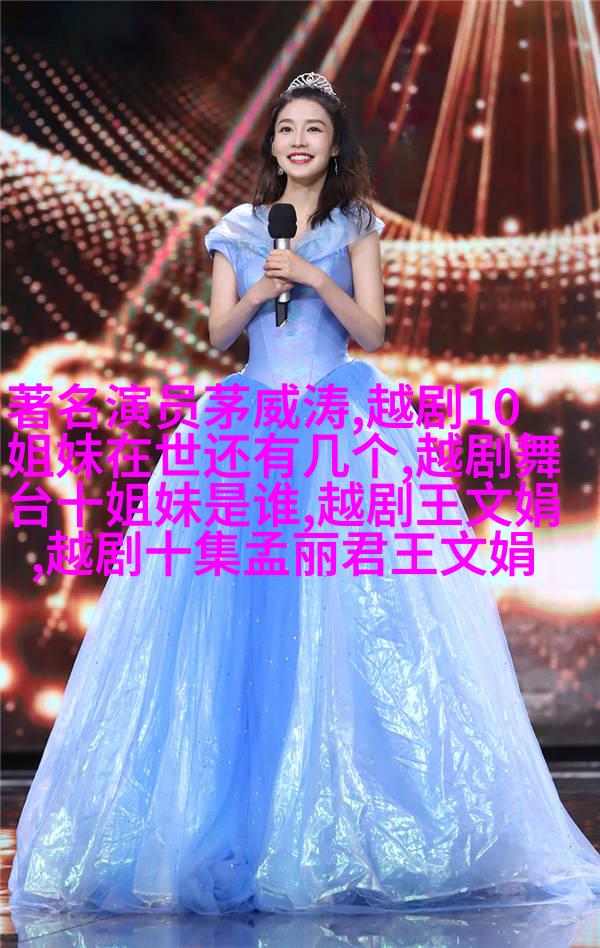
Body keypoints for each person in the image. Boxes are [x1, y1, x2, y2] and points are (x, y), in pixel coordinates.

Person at [8, 72, 600, 919]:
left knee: (345, 615)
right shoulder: (237, 228)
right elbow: (220, 333)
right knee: (230, 620)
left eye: (313, 129)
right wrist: (262, 286)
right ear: (272, 142)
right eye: (287, 128)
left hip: (337, 427)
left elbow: (373, 332)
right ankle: (232, 816)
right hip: (247, 428)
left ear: (333, 145)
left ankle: (335, 817)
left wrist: (317, 281)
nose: (298, 141)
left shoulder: (357, 226)